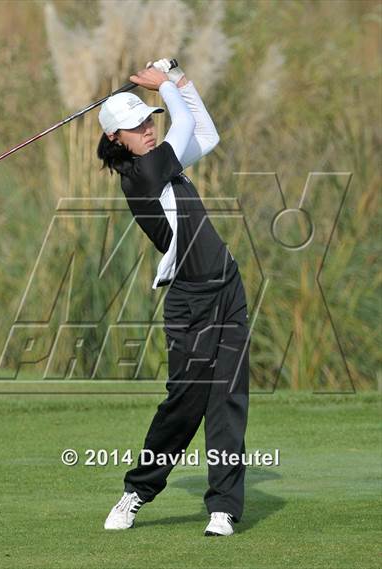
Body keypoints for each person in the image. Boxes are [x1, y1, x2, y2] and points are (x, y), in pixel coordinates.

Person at [96, 58, 250, 537]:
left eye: (147, 120)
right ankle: (136, 493)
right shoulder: (141, 174)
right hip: (189, 301)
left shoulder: (164, 162)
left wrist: (180, 82)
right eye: (134, 126)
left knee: (227, 399)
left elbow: (205, 133)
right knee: (185, 403)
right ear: (115, 138)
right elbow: (182, 122)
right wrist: (166, 86)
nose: (146, 128)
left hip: (227, 287)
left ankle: (222, 507)